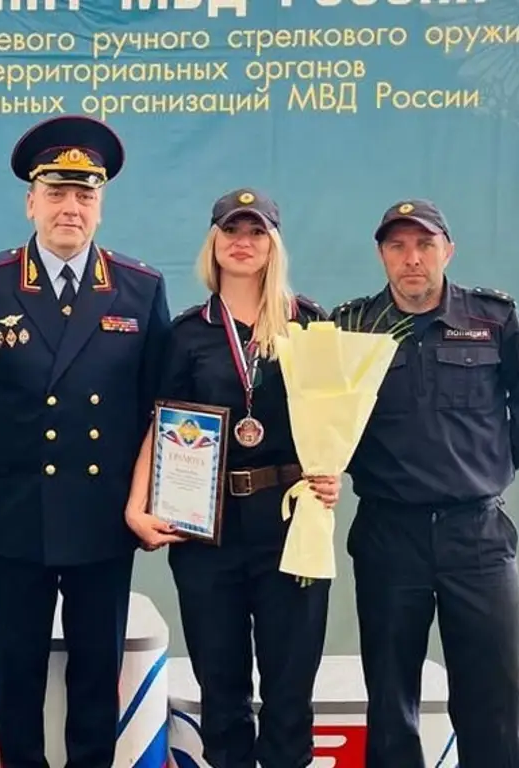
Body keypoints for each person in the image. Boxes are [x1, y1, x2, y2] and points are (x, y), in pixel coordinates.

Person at [0, 114, 171, 768]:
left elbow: (157, 411)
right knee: (16, 670)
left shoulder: (139, 287)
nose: (70, 207)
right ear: (31, 202)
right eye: (57, 192)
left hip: (102, 513)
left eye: (84, 195)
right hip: (16, 511)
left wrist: (152, 500)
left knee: (97, 671)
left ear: (101, 206)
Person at [329, 199, 519, 768]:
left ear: (448, 251)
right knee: (391, 703)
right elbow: (327, 420)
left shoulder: (494, 319)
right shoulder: (352, 327)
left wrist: (484, 467)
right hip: (389, 534)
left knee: (494, 702)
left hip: (476, 536)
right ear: (382, 255)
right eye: (397, 246)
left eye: (425, 245)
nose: (412, 258)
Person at [121, 189, 340, 768]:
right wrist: (137, 505)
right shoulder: (187, 332)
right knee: (221, 689)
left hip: (290, 524)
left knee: (289, 690)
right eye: (231, 231)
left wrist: (333, 473)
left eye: (256, 232)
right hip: (206, 529)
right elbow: (161, 422)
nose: (243, 242)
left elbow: (336, 420)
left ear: (274, 245)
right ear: (213, 242)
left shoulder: (309, 323)